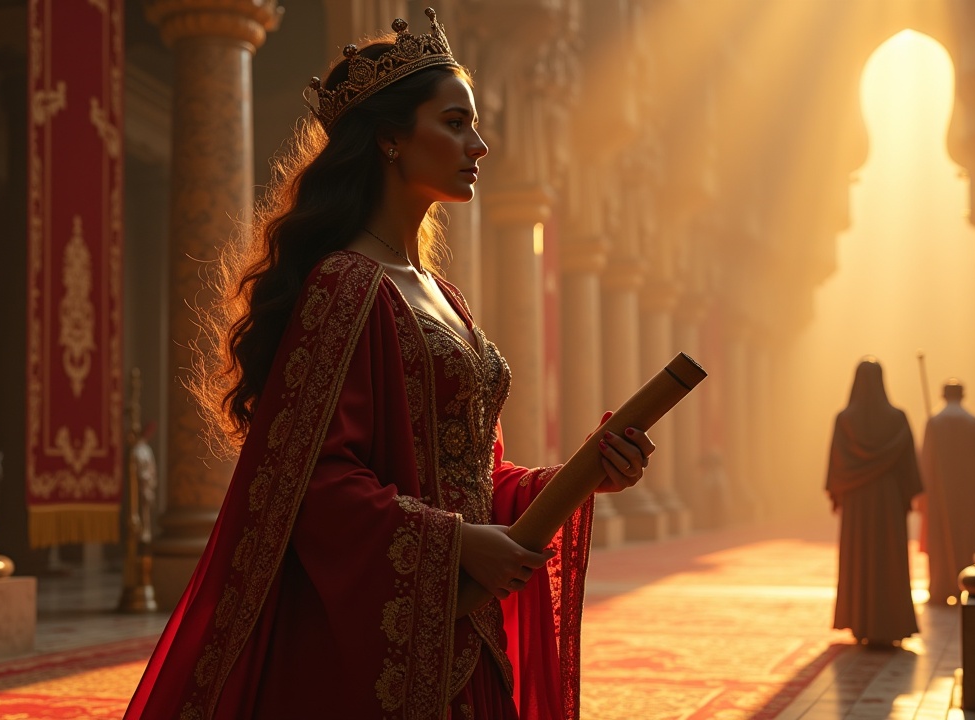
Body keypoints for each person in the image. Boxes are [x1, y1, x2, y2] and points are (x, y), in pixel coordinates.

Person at [125, 9, 656, 719]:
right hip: (381, 646)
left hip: (464, 627)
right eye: (455, 122)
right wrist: (457, 544)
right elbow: (312, 482)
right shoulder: (345, 287)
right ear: (389, 139)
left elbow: (472, 479)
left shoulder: (445, 298)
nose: (481, 143)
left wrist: (583, 474)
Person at [825, 357, 921, 646]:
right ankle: (889, 623)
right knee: (887, 558)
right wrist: (907, 494)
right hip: (888, 499)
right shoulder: (898, 418)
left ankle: (860, 622)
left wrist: (839, 492)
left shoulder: (844, 420)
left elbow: (837, 464)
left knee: (860, 558)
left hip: (857, 502)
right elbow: (909, 466)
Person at [918, 379, 975, 604]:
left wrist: (923, 493)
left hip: (938, 496)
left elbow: (926, 461)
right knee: (965, 541)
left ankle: (940, 589)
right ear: (963, 395)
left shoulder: (934, 422)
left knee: (940, 543)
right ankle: (964, 586)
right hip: (968, 497)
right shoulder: (972, 422)